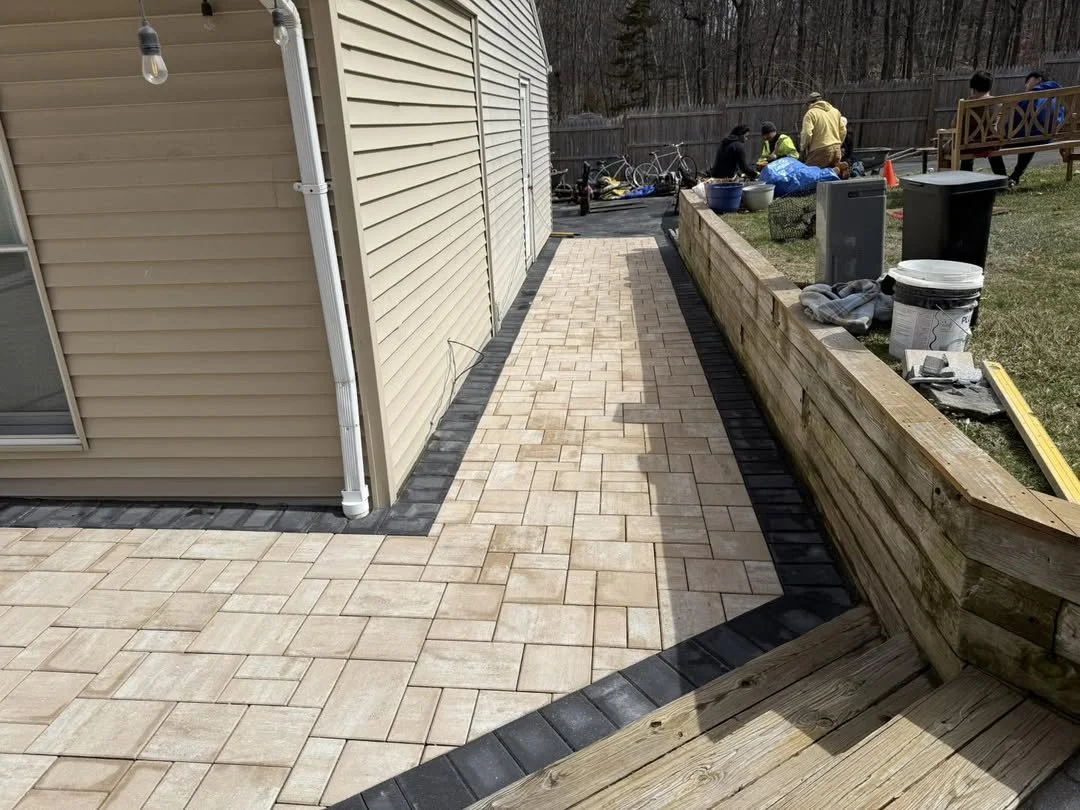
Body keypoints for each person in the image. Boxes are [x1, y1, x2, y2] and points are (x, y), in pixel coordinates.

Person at [1008, 70, 1065, 186]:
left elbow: (1014, 120)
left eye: (1028, 81)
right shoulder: (1058, 95)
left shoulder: (1031, 96)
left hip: (1030, 137)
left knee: (992, 144)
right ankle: (1015, 176)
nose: (1026, 85)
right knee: (1032, 136)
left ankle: (1003, 178)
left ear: (1038, 79)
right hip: (1047, 136)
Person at [958, 70, 1007, 177]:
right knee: (991, 140)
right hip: (991, 143)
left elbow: (954, 125)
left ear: (973, 87)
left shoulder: (967, 104)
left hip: (969, 145)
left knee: (964, 142)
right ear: (990, 87)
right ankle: (1002, 177)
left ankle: (965, 179)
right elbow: (1001, 126)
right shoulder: (998, 104)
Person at [800, 92, 846, 169]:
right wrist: (838, 144)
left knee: (807, 172)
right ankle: (839, 169)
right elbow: (843, 130)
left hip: (820, 150)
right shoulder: (835, 111)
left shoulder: (811, 113)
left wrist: (803, 147)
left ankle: (837, 169)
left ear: (809, 103)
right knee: (830, 171)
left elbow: (807, 133)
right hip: (837, 149)